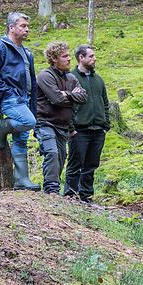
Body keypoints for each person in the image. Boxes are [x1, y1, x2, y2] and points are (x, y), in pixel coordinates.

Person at [0, 12, 40, 191]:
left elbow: (32, 81)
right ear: (11, 28)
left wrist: (33, 103)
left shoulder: (27, 52)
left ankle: (21, 179)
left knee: (21, 139)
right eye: (23, 26)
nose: (27, 29)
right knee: (28, 122)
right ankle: (1, 126)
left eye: (27, 26)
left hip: (24, 97)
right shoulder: (0, 46)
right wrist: (4, 92)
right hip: (10, 97)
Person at [35, 41, 87, 194]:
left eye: (69, 55)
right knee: (51, 153)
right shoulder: (45, 76)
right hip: (45, 122)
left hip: (63, 126)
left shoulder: (71, 77)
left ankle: (53, 189)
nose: (69, 59)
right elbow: (56, 99)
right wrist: (72, 96)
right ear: (54, 58)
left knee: (61, 157)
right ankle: (51, 189)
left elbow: (84, 96)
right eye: (64, 56)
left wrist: (67, 95)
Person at [64, 45, 110, 203]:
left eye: (94, 56)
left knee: (91, 165)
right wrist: (71, 128)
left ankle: (86, 196)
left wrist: (106, 125)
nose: (94, 58)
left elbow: (105, 102)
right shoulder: (70, 78)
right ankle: (70, 195)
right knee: (75, 164)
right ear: (81, 58)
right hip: (79, 130)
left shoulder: (98, 79)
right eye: (90, 56)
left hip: (98, 130)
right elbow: (66, 104)